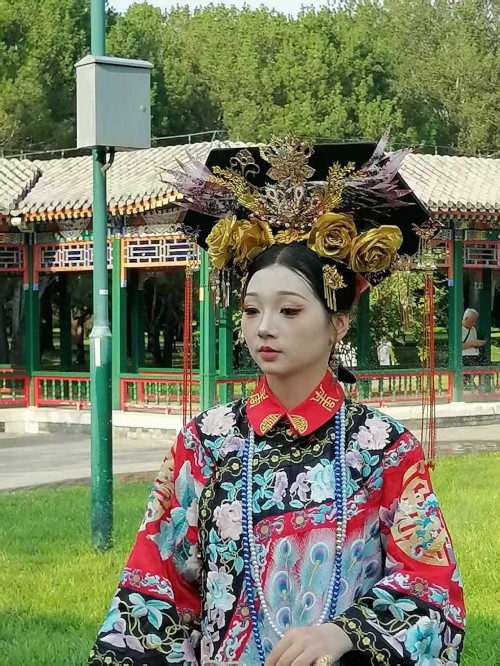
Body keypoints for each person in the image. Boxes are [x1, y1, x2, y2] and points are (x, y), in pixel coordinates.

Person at [89, 135, 465, 665]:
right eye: (251, 310)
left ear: (338, 322)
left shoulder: (383, 449)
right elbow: (157, 588)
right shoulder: (206, 442)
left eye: (289, 311)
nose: (264, 327)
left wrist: (347, 633)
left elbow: (431, 587)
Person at [462, 308, 485, 391]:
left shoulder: (473, 329)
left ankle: (481, 385)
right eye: (472, 321)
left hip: (475, 354)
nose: (474, 323)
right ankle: (466, 382)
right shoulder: (458, 329)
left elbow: (473, 343)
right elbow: (458, 346)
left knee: (485, 362)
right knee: (470, 363)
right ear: (466, 318)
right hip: (464, 356)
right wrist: (472, 343)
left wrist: (478, 343)